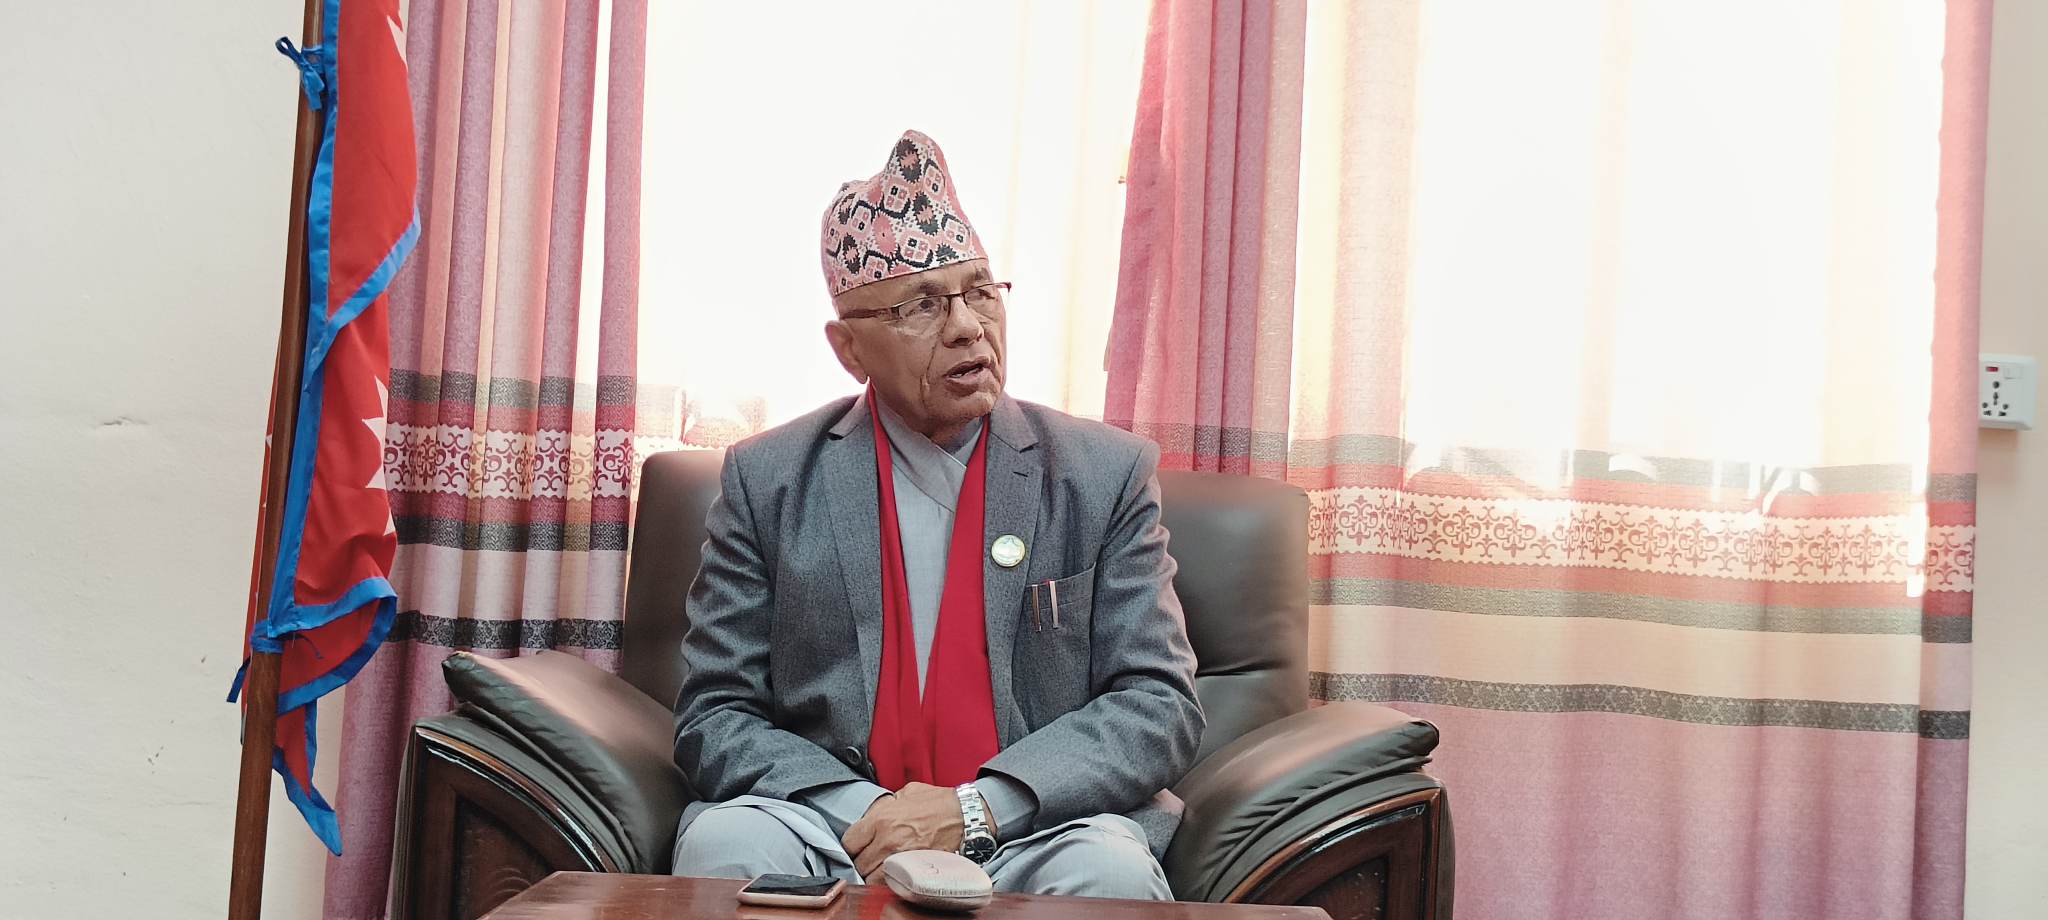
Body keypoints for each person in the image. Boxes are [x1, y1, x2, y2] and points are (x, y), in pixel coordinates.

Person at [669, 130, 1202, 900]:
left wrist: (974, 809)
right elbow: (715, 713)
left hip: (1034, 826)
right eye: (922, 304)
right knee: (727, 841)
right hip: (834, 826)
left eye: (981, 292)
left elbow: (1158, 705)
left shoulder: (1102, 475)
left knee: (1109, 872)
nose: (967, 326)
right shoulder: (769, 479)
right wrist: (869, 814)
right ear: (850, 349)